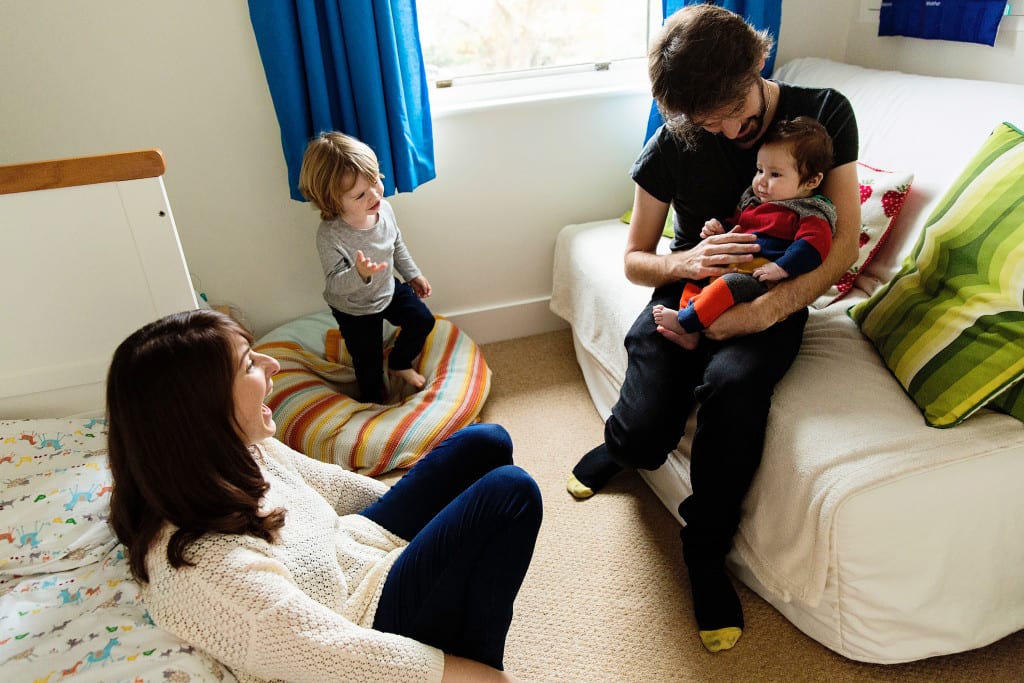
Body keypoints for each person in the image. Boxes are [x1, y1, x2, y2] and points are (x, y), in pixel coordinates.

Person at [566, 4, 860, 653]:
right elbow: (635, 258)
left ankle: (704, 550)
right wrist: (684, 262)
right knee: (645, 435)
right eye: (708, 123)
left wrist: (767, 311)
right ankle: (622, 446)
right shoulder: (675, 140)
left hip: (772, 292)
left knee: (735, 387)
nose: (728, 132)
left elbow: (843, 243)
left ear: (758, 62)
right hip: (689, 285)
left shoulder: (822, 114)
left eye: (734, 112)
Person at [105, 309, 541, 683]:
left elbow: (333, 486)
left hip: (352, 554)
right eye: (249, 364)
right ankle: (482, 655)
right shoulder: (205, 571)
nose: (272, 364)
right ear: (200, 408)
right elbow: (340, 654)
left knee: (485, 442)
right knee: (510, 492)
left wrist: (427, 517)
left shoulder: (230, 451)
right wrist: (485, 678)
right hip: (362, 624)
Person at [652, 116, 836, 350]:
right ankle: (690, 330)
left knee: (726, 285)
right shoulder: (753, 201)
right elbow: (739, 227)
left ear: (812, 180)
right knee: (697, 277)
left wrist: (781, 267)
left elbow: (814, 246)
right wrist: (720, 230)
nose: (761, 181)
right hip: (733, 263)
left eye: (775, 175)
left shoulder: (809, 212)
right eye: (760, 170)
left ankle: (684, 322)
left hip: (758, 277)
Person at [299, 131, 436, 404]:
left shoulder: (384, 209)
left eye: (374, 180)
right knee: (368, 366)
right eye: (360, 194)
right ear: (332, 201)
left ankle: (398, 362)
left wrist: (413, 274)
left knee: (423, 320)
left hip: (386, 288)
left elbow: (396, 244)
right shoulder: (331, 235)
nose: (374, 194)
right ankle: (374, 407)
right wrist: (359, 273)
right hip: (353, 309)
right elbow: (334, 283)